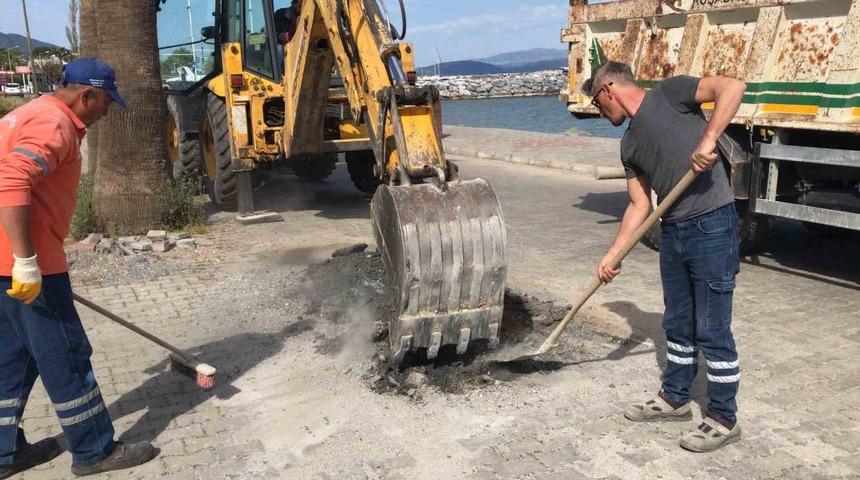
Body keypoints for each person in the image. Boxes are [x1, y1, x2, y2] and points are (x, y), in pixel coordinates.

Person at [0, 57, 157, 478]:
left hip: (3, 264)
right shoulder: (55, 124)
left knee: (11, 360)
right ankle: (94, 451)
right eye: (107, 101)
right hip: (27, 265)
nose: (108, 110)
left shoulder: (23, 114)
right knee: (65, 356)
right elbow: (12, 180)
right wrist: (27, 260)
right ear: (86, 94)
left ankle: (4, 453)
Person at [584, 61, 746, 452]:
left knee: (711, 326)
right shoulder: (629, 144)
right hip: (673, 232)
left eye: (596, 103)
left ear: (609, 89)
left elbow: (733, 86)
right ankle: (675, 397)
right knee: (676, 321)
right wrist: (614, 254)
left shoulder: (671, 94)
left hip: (712, 224)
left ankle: (723, 417)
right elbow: (639, 205)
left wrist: (709, 140)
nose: (598, 111)